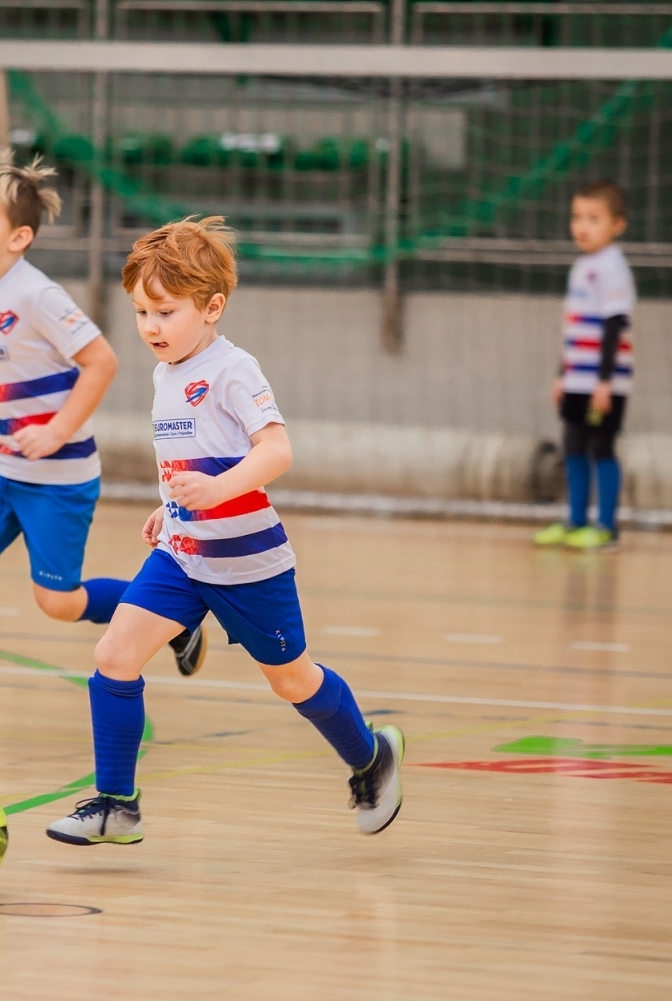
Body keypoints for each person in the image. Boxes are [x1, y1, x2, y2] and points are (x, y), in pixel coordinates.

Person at [44, 217, 404, 844]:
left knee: (293, 679)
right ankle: (116, 804)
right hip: (184, 558)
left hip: (248, 565)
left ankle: (371, 757)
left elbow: (276, 451)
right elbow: (192, 460)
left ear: (212, 308)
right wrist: (175, 507)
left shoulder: (236, 370)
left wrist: (216, 490)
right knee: (114, 655)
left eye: (164, 311)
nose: (151, 326)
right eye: (141, 313)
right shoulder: (165, 373)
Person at [0, 150, 206, 739]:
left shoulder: (37, 297)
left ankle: (172, 615)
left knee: (56, 602)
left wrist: (57, 430)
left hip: (58, 477)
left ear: (20, 238)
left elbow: (101, 362)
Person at [535, 181, 636, 551]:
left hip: (601, 383)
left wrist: (605, 383)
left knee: (601, 446)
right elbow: (574, 329)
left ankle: (606, 526)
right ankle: (576, 520)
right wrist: (563, 374)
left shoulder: (613, 268)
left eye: (594, 218)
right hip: (577, 379)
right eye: (577, 217)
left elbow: (614, 326)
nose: (583, 226)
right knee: (573, 444)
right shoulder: (582, 266)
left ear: (617, 225)